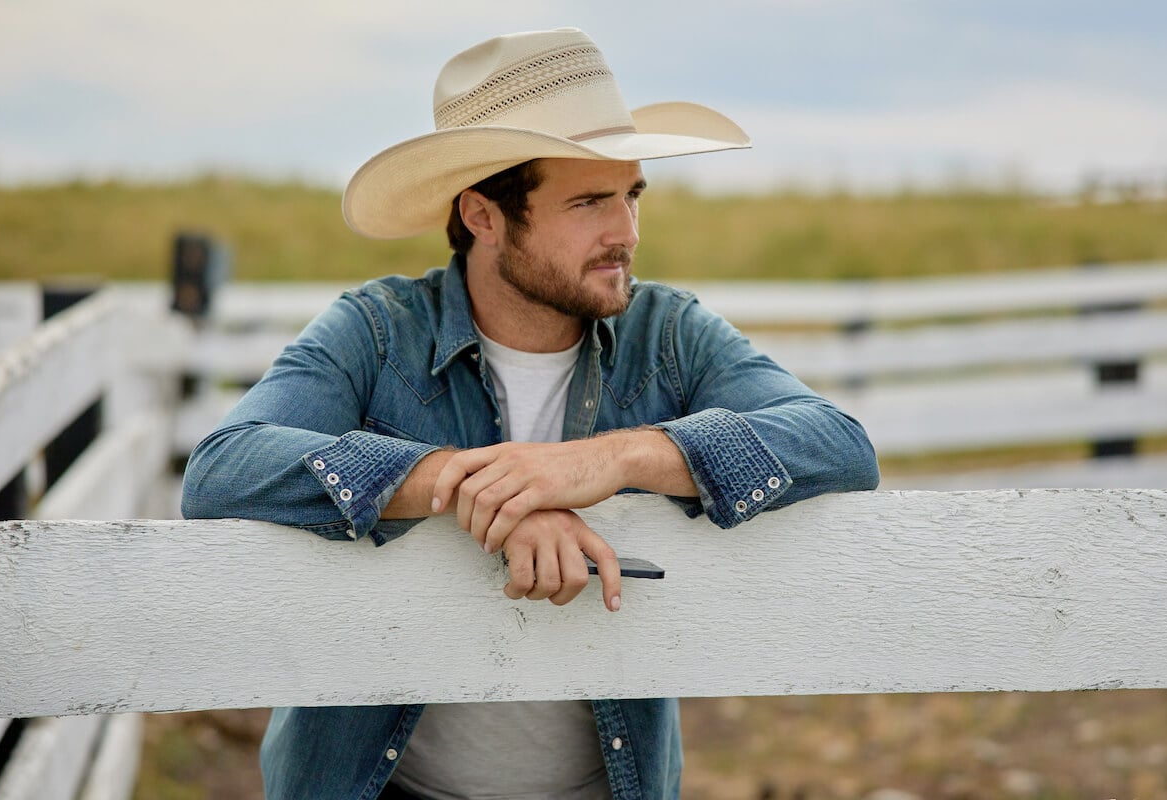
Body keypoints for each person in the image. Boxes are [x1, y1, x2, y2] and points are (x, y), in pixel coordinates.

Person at [181, 27, 879, 800]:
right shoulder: (377, 331)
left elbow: (840, 446)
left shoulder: (669, 333)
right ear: (483, 216)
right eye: (588, 201)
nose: (626, 232)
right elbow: (220, 470)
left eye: (631, 194)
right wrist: (465, 484)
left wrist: (614, 458)